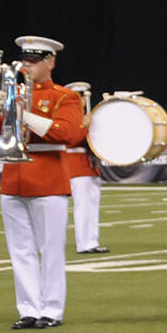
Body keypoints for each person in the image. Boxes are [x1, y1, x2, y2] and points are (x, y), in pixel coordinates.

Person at [0, 36, 84, 328]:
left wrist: (22, 114)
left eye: (35, 62)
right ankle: (28, 309)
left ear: (50, 62)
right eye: (26, 61)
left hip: (48, 180)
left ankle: (51, 310)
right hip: (13, 179)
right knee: (19, 250)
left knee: (50, 249)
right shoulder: (14, 91)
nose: (28, 66)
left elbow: (66, 133)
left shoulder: (65, 96)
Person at [61, 81, 107, 254]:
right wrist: (84, 127)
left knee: (91, 205)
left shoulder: (86, 114)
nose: (81, 100)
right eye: (78, 97)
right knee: (83, 206)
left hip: (89, 164)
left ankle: (91, 241)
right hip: (75, 164)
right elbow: (69, 139)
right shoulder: (67, 115)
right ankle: (85, 243)